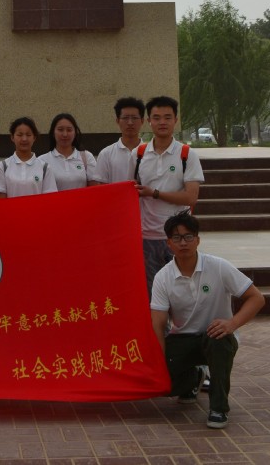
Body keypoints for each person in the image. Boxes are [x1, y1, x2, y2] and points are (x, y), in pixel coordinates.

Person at [151, 211, 264, 429]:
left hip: (218, 336)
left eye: (188, 236)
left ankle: (218, 408)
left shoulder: (218, 266)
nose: (183, 242)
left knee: (218, 341)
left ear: (198, 240)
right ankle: (194, 377)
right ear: (168, 243)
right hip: (183, 339)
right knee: (163, 384)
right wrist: (160, 363)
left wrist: (231, 324)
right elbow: (158, 324)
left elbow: (256, 298)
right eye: (177, 237)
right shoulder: (163, 277)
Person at [129, 96, 204, 296]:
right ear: (148, 121)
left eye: (167, 117)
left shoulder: (187, 154)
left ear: (175, 120)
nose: (162, 122)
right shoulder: (138, 154)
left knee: (183, 291)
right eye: (157, 117)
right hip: (147, 236)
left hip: (179, 237)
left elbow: (191, 198)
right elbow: (130, 192)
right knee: (152, 292)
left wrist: (154, 193)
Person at [0, 116, 57, 198]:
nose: (24, 139)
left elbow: (49, 199)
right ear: (12, 137)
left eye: (28, 135)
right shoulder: (3, 166)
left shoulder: (45, 168)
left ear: (34, 137)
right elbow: (1, 200)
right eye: (19, 135)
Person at [93, 97, 145, 184]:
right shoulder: (106, 154)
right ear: (117, 121)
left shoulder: (151, 152)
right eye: (125, 118)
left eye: (134, 118)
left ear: (142, 121)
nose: (130, 123)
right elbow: (102, 186)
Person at [39, 113, 97, 190]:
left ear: (75, 133)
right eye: (60, 130)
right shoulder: (42, 161)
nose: (65, 134)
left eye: (69, 130)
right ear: (53, 132)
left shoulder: (87, 157)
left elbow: (95, 189)